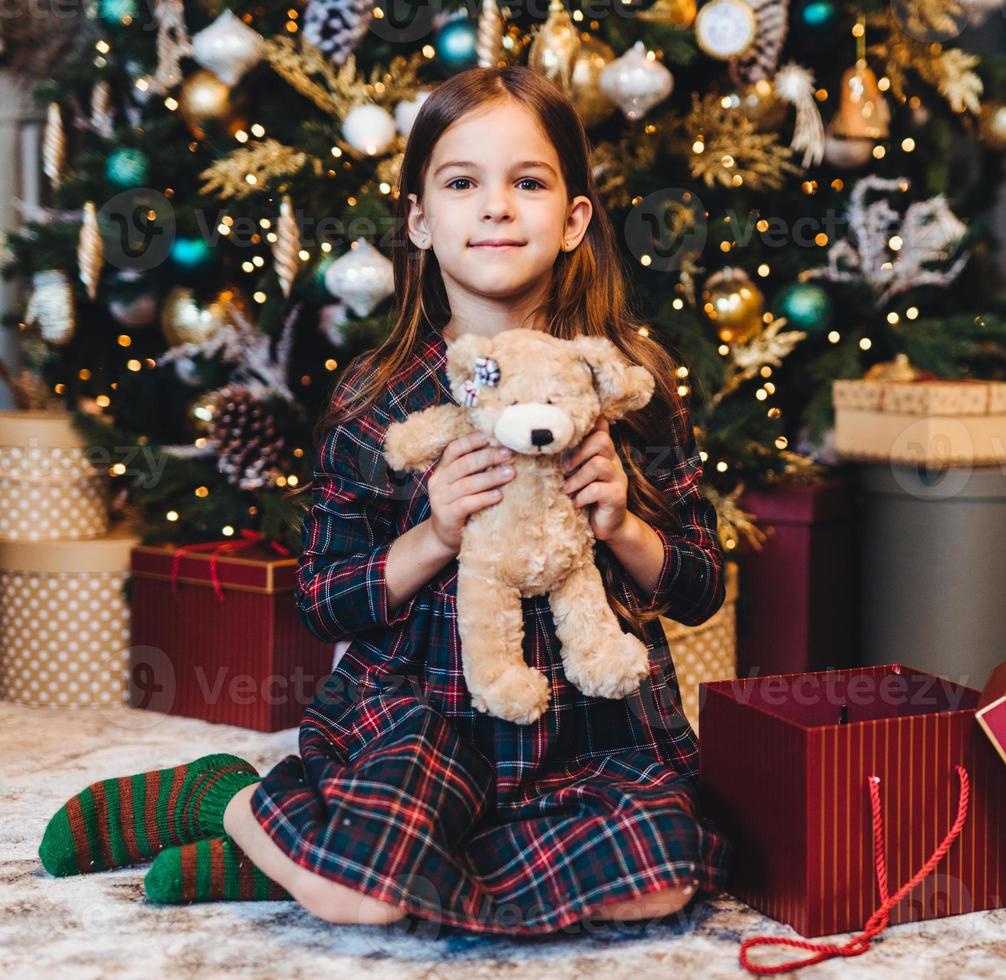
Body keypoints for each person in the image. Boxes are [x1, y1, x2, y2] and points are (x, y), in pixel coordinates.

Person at [37, 66, 732, 935]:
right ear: (418, 220)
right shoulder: (379, 399)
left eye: (528, 182)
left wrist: (624, 525)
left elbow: (704, 585)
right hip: (422, 715)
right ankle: (234, 805)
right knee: (361, 902)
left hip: (587, 732)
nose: (496, 208)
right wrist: (435, 535)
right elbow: (324, 599)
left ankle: (306, 854)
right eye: (462, 183)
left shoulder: (628, 386)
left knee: (660, 883)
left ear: (574, 221)